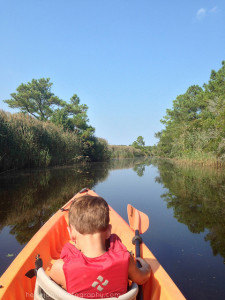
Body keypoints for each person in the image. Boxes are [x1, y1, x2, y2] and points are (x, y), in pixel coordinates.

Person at [50, 195, 151, 298]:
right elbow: (142, 278)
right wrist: (146, 266)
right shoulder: (126, 260)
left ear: (71, 234)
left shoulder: (60, 268)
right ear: (108, 231)